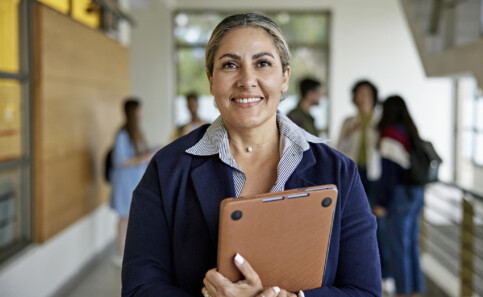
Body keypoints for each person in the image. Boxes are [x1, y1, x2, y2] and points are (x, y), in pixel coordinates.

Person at [122, 13, 381, 297]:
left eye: (263, 63)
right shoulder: (167, 170)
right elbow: (139, 288)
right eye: (230, 65)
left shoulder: (339, 172)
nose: (247, 80)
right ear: (210, 80)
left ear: (285, 77)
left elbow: (364, 291)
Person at [336, 80, 390, 287]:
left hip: (376, 176)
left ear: (374, 96)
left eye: (366, 94)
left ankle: (384, 273)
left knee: (379, 224)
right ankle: (356, 272)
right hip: (354, 175)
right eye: (359, 94)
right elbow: (338, 149)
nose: (362, 98)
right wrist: (349, 132)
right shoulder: (349, 121)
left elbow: (385, 148)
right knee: (355, 223)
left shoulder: (381, 120)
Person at [373, 96, 424, 297]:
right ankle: (415, 291)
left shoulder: (391, 134)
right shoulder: (409, 131)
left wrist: (381, 202)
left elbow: (389, 174)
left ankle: (402, 293)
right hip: (416, 194)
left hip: (400, 196)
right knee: (411, 245)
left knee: (398, 248)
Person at [109, 98, 154, 264]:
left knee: (132, 216)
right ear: (134, 112)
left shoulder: (136, 132)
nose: (142, 112)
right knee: (124, 217)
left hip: (135, 180)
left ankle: (129, 251)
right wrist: (145, 157)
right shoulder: (122, 134)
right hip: (125, 182)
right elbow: (121, 160)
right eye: (140, 109)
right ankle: (121, 253)